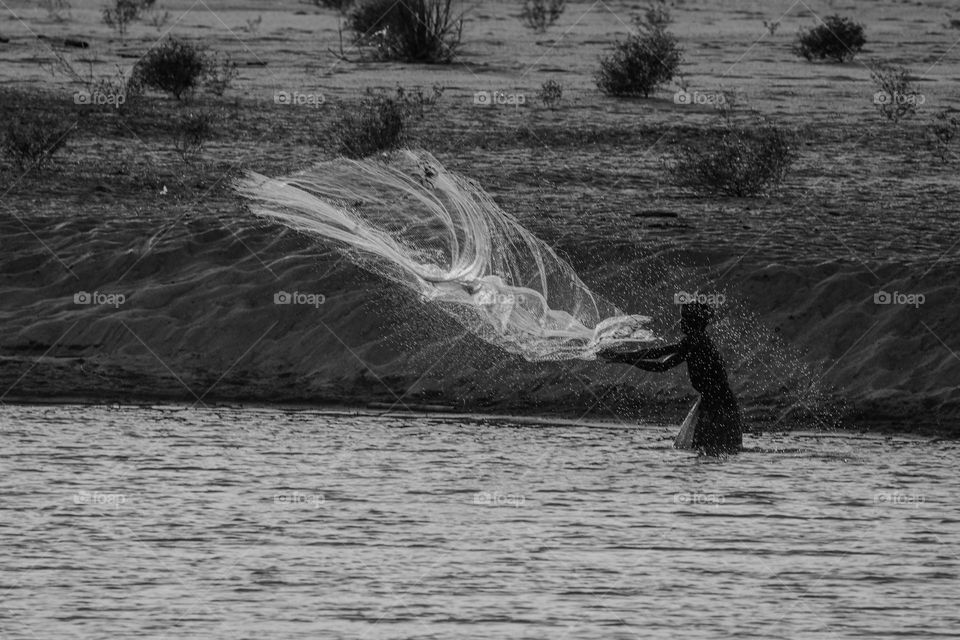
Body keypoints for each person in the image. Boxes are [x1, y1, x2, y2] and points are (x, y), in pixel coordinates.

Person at [597, 302, 742, 455]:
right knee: (710, 449)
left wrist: (622, 357)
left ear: (694, 322)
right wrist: (625, 358)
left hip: (717, 403)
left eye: (685, 319)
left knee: (707, 447)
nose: (681, 323)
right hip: (716, 400)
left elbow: (658, 355)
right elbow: (661, 364)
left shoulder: (695, 341)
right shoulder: (696, 341)